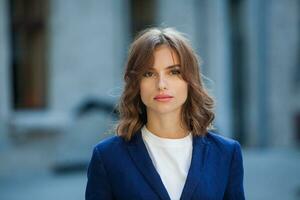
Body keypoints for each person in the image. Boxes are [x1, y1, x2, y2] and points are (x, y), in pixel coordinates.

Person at [85, 27, 245, 200]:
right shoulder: (108, 157)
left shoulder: (226, 154)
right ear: (136, 84)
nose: (161, 84)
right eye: (149, 73)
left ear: (190, 81)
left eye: (174, 72)